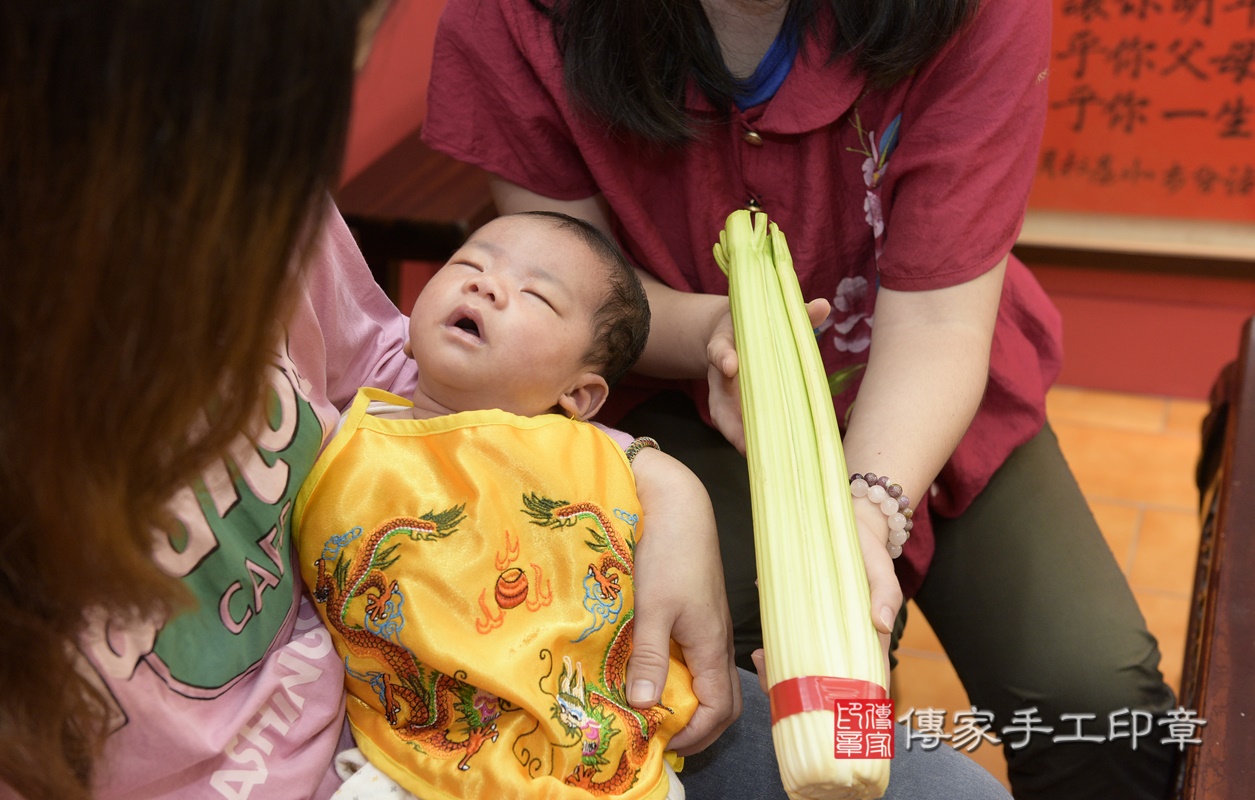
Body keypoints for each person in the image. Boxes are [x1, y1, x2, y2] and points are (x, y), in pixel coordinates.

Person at [1, 3, 1014, 800]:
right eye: (475, 263)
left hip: (439, 694)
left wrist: (658, 482)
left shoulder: (231, 187)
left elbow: (397, 362)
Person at [421, 0, 1181, 798]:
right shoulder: (511, 17)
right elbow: (569, 303)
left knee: (1099, 705)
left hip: (940, 381)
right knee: (752, 690)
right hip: (686, 399)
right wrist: (724, 329)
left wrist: (863, 510)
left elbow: (937, 322)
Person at [293, 210, 699, 800]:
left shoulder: (600, 459)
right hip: (413, 757)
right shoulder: (337, 437)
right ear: (405, 325)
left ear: (579, 395)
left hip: (599, 743)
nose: (484, 284)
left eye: (535, 293)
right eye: (468, 264)